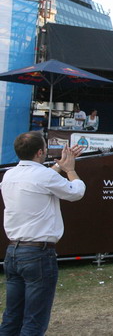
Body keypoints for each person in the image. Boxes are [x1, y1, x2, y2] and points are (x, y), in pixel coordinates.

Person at [0, 132, 85, 335]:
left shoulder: (10, 175)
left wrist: (60, 165)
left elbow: (40, 178)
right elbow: (76, 192)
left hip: (13, 251)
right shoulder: (43, 176)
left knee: (12, 316)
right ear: (41, 152)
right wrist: (70, 170)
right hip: (38, 254)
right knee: (34, 320)